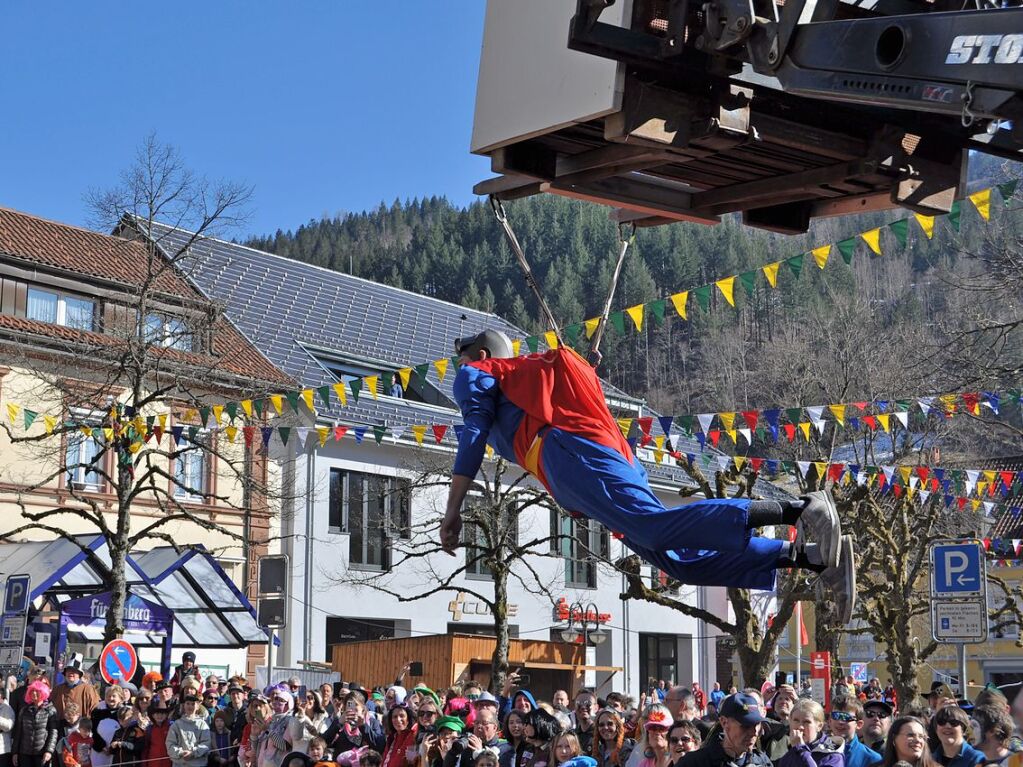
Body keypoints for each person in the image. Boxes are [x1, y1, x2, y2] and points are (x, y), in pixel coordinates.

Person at [440, 332, 854, 614]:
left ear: (480, 356)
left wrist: (452, 510)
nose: (457, 369)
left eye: (462, 359)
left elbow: (473, 434)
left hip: (570, 455)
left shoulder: (477, 373)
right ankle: (809, 557)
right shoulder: (523, 380)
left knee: (656, 530)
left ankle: (799, 509)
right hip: (580, 458)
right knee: (677, 561)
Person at [677, 694, 772, 767]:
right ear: (724, 722)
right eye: (745, 726)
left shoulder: (763, 762)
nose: (753, 733)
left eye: (756, 725)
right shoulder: (695, 763)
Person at [777, 700, 843, 767]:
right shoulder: (788, 755)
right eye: (796, 720)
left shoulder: (832, 756)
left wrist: (801, 750)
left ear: (819, 726)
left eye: (806, 722)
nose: (800, 727)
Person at [13, 679, 59, 767]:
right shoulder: (24, 710)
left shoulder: (50, 710)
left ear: (43, 692)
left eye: (37, 691)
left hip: (42, 753)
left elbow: (53, 733)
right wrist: (15, 752)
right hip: (24, 753)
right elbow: (18, 732)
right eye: (32, 691)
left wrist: (49, 751)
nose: (34, 693)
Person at [444, 709, 512, 767]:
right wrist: (453, 753)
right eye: (476, 723)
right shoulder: (468, 747)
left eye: (484, 723)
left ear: (494, 727)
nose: (479, 726)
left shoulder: (505, 748)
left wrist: (479, 753)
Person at [827, 697, 881, 767]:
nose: (840, 722)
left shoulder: (872, 759)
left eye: (846, 717)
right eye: (836, 715)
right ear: (830, 721)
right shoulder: (817, 752)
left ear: (859, 724)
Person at [166, 694, 211, 767]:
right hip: (180, 764)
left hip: (198, 764)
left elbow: (206, 743)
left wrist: (193, 753)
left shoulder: (202, 725)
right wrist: (180, 752)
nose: (190, 706)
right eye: (188, 704)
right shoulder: (176, 725)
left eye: (193, 704)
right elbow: (170, 743)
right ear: (184, 705)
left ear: (197, 706)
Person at [51, 661, 98, 726]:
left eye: (74, 671)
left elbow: (95, 710)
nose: (70, 673)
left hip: (82, 730)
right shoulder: (57, 689)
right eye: (68, 670)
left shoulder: (88, 690)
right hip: (60, 729)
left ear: (79, 674)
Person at [763, 686, 799, 765]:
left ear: (794, 706)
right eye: (779, 699)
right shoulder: (766, 725)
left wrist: (797, 700)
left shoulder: (798, 727)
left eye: (787, 699)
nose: (783, 702)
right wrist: (763, 700)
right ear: (774, 705)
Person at [141, 701, 171, 767]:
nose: (160, 716)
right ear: (152, 715)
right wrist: (144, 764)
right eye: (157, 713)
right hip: (153, 763)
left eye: (162, 713)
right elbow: (146, 749)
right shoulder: (149, 729)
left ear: (166, 715)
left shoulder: (171, 727)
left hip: (168, 763)